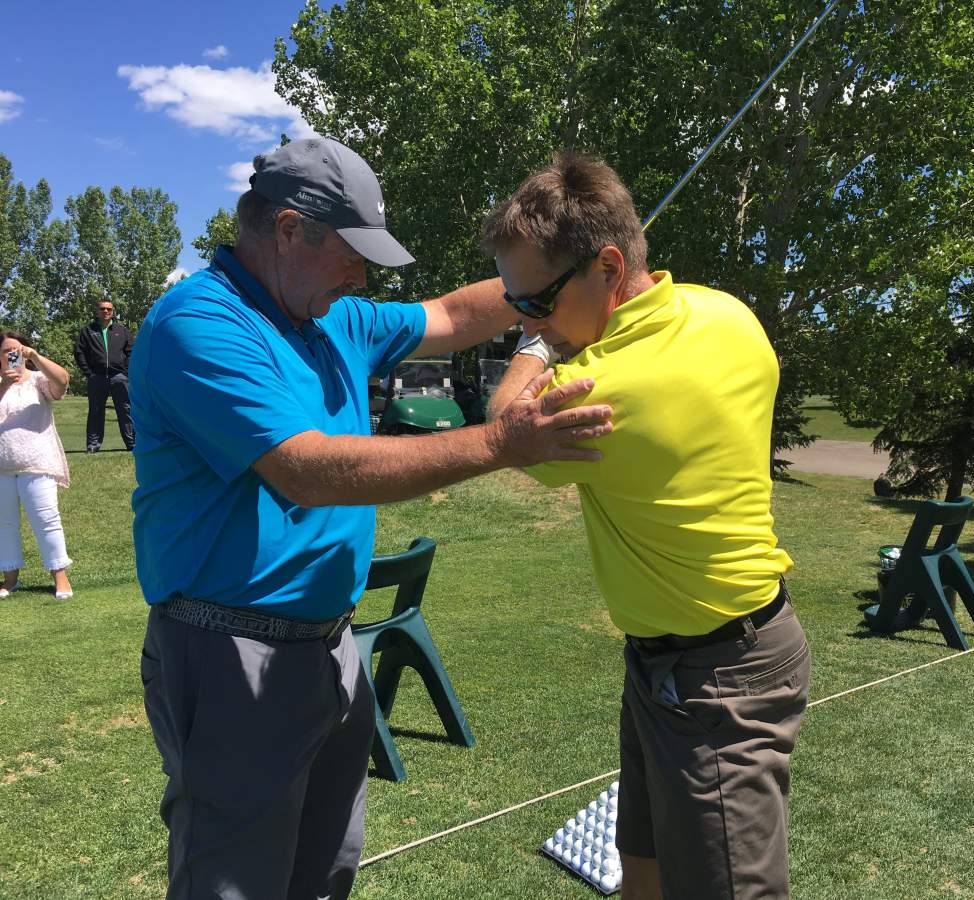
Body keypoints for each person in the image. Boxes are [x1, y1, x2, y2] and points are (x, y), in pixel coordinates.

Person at [131, 137, 613, 900]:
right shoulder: (199, 323)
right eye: (353, 253)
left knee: (326, 874)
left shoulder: (333, 317)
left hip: (330, 646)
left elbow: (453, 313)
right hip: (228, 654)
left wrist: (558, 275)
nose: (362, 276)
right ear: (289, 229)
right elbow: (307, 470)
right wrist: (499, 443)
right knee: (236, 883)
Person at [486, 152, 810, 900]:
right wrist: (565, 319)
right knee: (646, 869)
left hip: (714, 681)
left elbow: (504, 428)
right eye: (513, 302)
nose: (527, 318)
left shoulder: (592, 392)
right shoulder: (729, 313)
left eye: (534, 300)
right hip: (709, 657)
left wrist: (537, 349)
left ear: (607, 266)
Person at [0, 332, 73, 600]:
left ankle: (60, 577)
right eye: (6, 351)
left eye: (17, 350)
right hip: (2, 468)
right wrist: (4, 385)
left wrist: (35, 357)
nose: (12, 355)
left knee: (46, 520)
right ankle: (10, 579)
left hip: (37, 463)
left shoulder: (39, 380)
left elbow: (62, 382)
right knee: (4, 524)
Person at [73, 298, 136, 452]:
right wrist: (89, 373)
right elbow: (79, 353)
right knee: (95, 411)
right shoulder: (88, 331)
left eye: (109, 309)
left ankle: (132, 444)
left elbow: (131, 352)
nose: (106, 311)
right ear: (97, 311)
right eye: (102, 309)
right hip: (97, 377)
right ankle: (93, 445)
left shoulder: (121, 330)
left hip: (119, 377)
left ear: (112, 312)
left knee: (126, 410)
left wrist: (126, 372)